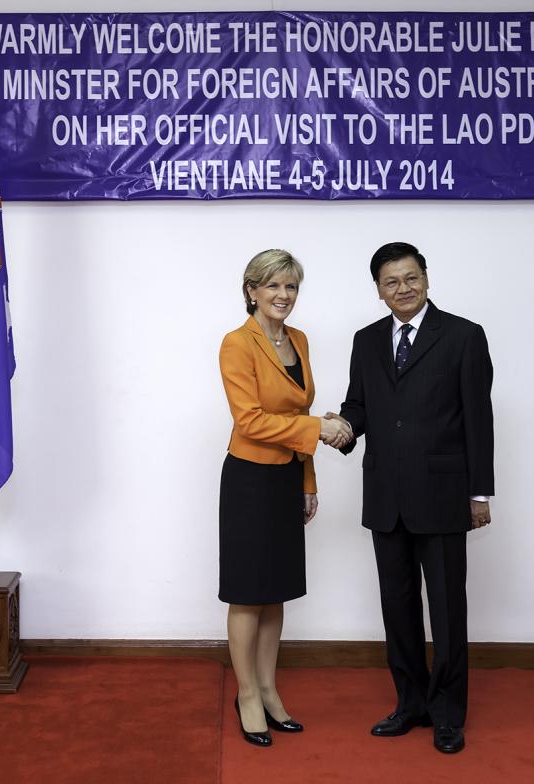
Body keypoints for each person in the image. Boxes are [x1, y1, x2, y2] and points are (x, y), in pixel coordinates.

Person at [332, 241, 494, 754]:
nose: (402, 289)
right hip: (385, 495)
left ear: (427, 278)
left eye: (410, 278)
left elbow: (478, 419)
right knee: (397, 608)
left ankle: (447, 712)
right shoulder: (366, 340)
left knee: (447, 610)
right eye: (390, 282)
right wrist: (342, 427)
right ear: (378, 291)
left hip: (444, 495)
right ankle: (410, 703)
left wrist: (479, 493)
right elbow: (359, 404)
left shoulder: (464, 336)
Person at [218, 249, 352, 748]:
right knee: (248, 591)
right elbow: (249, 420)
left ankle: (270, 690)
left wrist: (308, 482)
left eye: (291, 287)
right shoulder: (237, 344)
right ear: (251, 289)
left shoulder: (299, 340)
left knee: (276, 590)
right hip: (250, 478)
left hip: (286, 477)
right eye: (272, 286)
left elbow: (301, 410)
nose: (283, 296)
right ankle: (247, 694)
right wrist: (320, 429)